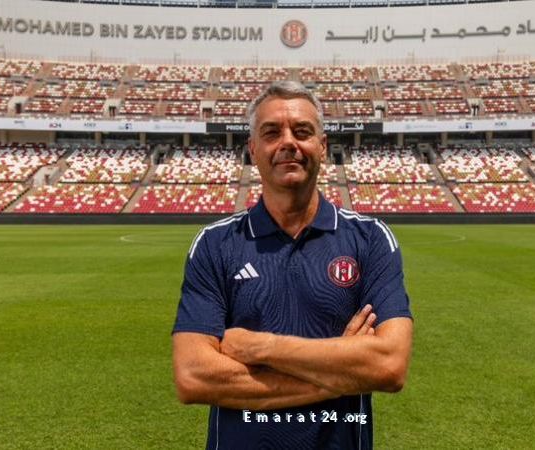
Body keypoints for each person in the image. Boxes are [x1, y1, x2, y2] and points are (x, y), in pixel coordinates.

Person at [172, 80, 413, 450]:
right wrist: (341, 368)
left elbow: (389, 366)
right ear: (253, 149)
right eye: (272, 133)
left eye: (302, 131)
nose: (288, 142)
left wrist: (261, 348)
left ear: (323, 146)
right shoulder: (214, 244)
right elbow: (193, 377)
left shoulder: (371, 239)